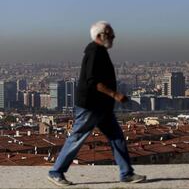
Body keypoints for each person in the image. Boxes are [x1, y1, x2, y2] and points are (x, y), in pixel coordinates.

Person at [47, 21, 146, 186]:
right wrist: (114, 94)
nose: (113, 36)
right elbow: (93, 80)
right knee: (77, 137)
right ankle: (56, 171)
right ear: (100, 35)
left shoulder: (100, 51)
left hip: (102, 106)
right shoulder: (94, 52)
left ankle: (126, 173)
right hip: (91, 106)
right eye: (110, 33)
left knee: (117, 137)